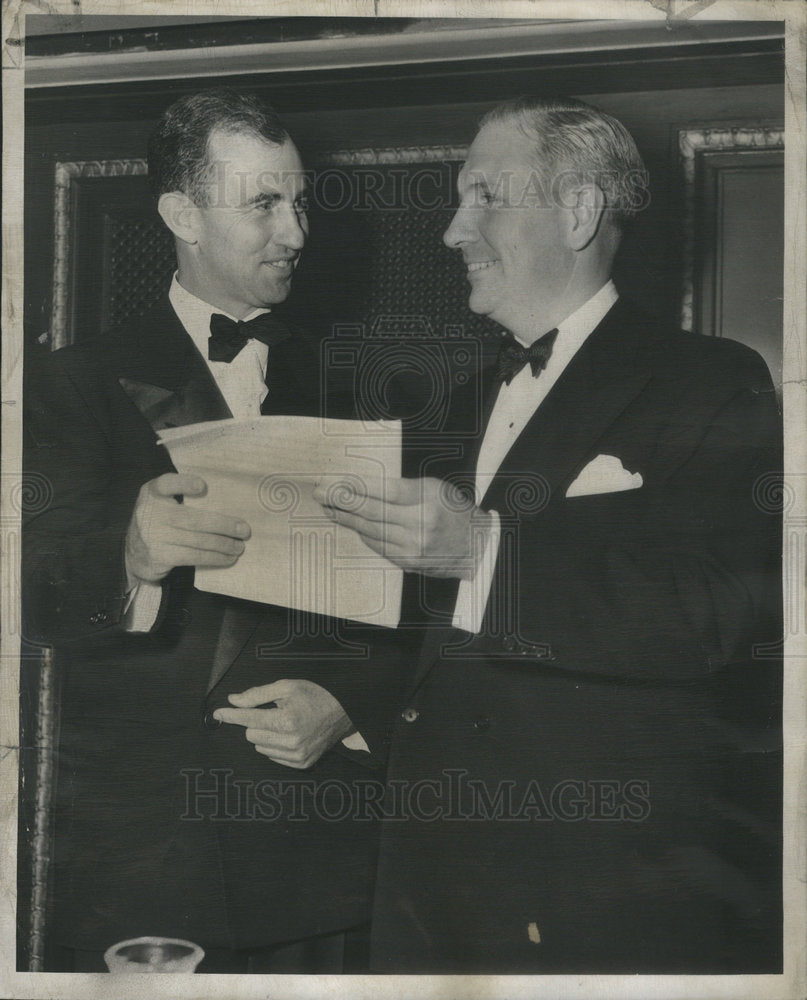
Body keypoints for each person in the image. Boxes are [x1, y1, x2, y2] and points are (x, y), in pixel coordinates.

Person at [319, 97, 783, 973]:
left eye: (483, 196)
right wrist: (343, 701)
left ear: (577, 212)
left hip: (593, 889)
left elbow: (719, 611)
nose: (453, 231)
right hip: (427, 880)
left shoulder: (709, 380)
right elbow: (419, 643)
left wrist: (483, 551)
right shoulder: (449, 412)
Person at [22, 89, 408, 973]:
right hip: (147, 852)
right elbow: (28, 590)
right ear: (181, 214)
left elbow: (417, 598)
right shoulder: (68, 385)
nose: (297, 232)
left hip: (317, 847)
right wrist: (126, 554)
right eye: (264, 204)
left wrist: (354, 704)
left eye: (299, 200)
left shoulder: (364, 384)